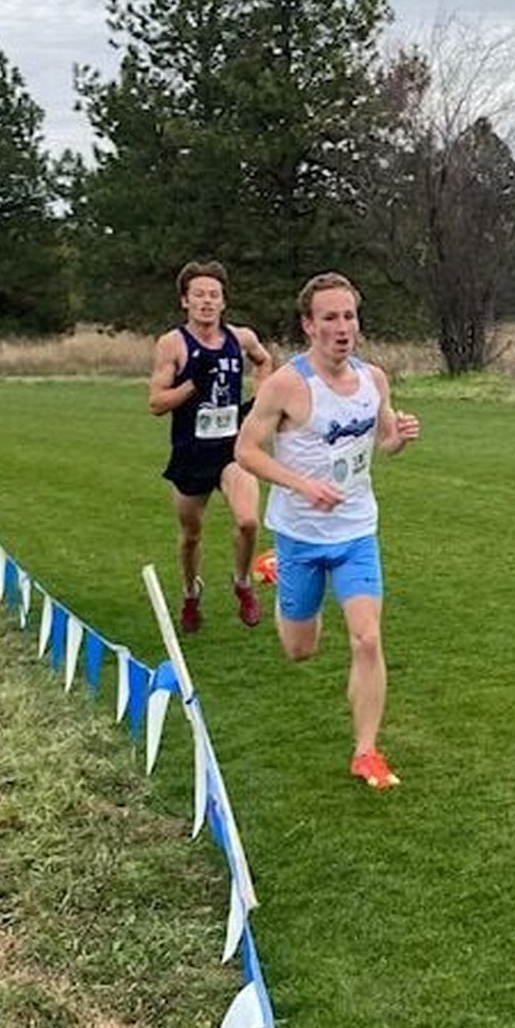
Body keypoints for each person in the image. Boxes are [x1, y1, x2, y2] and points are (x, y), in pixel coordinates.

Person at [235, 272, 420, 790]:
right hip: (300, 534)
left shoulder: (374, 380)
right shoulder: (286, 385)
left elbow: (383, 441)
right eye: (330, 318)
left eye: (349, 316)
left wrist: (400, 438)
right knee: (301, 650)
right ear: (308, 325)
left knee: (367, 638)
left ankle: (366, 751)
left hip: (357, 531)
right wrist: (301, 485)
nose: (343, 328)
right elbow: (245, 452)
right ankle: (276, 566)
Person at [149, 262, 272, 632]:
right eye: (199, 295)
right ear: (185, 301)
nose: (207, 301)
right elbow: (155, 403)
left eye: (213, 295)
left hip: (232, 449)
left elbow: (264, 360)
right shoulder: (172, 344)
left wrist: (259, 402)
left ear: (223, 302)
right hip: (190, 453)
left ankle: (243, 584)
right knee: (191, 535)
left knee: (249, 521)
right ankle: (190, 593)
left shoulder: (242, 338)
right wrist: (191, 387)